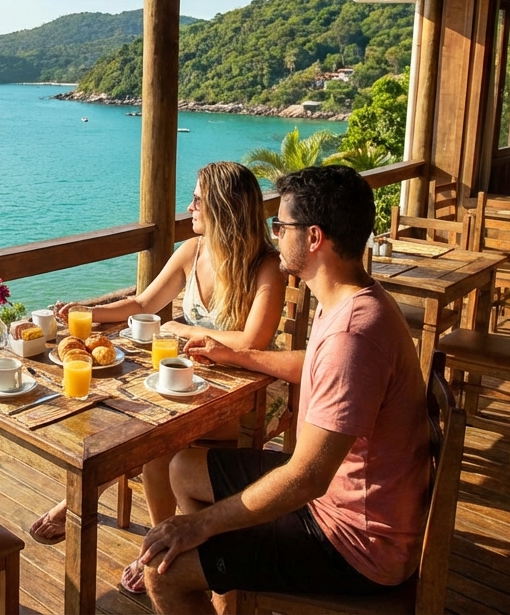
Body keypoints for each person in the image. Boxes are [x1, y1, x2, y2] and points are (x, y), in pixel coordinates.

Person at [138, 165, 430, 613]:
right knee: (183, 468)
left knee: (164, 574)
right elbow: (313, 364)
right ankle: (225, 581)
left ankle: (210, 571)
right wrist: (238, 355)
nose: (274, 236)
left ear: (313, 238)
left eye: (282, 226)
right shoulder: (352, 300)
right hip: (338, 504)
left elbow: (306, 479)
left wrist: (200, 527)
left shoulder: (352, 335)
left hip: (354, 542)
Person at [29, 161, 286, 593]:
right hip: (192, 381)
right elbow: (143, 303)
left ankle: (148, 542)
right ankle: (160, 541)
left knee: (155, 437)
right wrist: (86, 313)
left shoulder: (266, 266)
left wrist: (184, 329)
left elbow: (254, 340)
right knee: (144, 429)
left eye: (198, 200)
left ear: (223, 208)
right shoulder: (192, 252)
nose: (189, 208)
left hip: (253, 391)